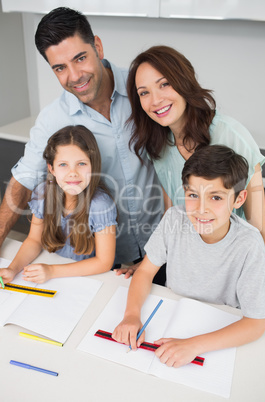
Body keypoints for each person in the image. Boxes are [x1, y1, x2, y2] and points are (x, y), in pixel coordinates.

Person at [0, 7, 162, 268]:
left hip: (163, 249)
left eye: (80, 58)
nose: (74, 76)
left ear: (97, 47)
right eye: (60, 68)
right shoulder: (53, 119)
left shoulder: (142, 88)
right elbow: (24, 180)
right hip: (108, 264)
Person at [112, 145, 265, 368]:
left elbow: (255, 324)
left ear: (239, 199)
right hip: (170, 317)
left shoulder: (250, 244)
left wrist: (193, 346)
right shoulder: (174, 219)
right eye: (193, 195)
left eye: (216, 197)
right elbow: (145, 271)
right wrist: (131, 315)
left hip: (218, 332)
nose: (201, 209)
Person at [124, 45, 265, 255]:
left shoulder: (231, 135)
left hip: (234, 259)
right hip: (189, 260)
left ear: (184, 82)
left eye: (164, 84)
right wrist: (149, 264)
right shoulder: (158, 145)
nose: (155, 100)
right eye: (144, 93)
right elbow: (172, 218)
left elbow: (259, 226)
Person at [0, 125, 117, 284]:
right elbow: (34, 241)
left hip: (87, 277)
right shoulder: (42, 194)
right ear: (52, 168)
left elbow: (104, 262)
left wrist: (52, 271)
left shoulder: (100, 205)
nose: (73, 172)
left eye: (81, 163)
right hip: (55, 268)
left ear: (93, 166)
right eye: (63, 164)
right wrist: (13, 268)